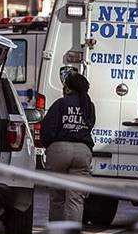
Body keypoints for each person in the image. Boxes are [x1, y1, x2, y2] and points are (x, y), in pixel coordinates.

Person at [41, 71, 96, 222]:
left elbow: (47, 128)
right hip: (82, 152)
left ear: (68, 88)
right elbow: (90, 126)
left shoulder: (60, 103)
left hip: (59, 150)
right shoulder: (89, 106)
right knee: (76, 199)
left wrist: (49, 146)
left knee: (57, 197)